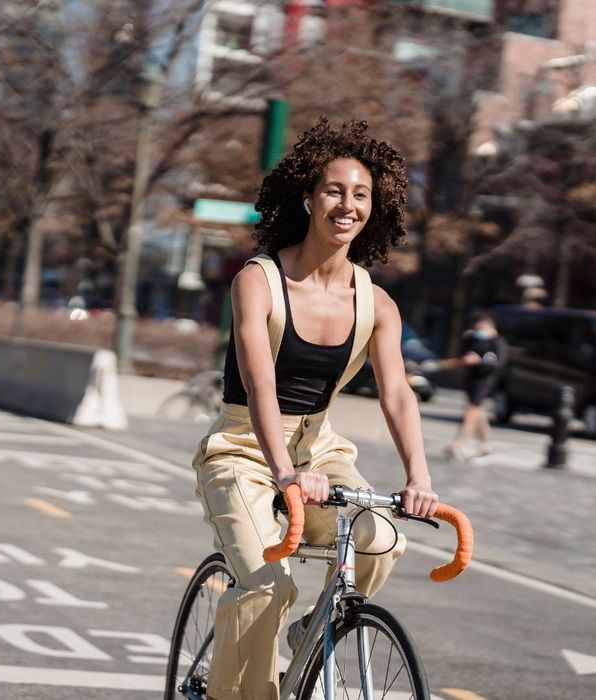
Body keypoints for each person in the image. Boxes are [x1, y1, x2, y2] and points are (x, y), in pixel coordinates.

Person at [192, 117, 438, 700]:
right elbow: (258, 384)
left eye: (361, 194)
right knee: (266, 586)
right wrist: (283, 473)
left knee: (381, 539)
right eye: (334, 190)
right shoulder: (259, 279)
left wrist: (419, 477)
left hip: (319, 450)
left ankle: (318, 630)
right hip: (245, 449)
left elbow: (397, 391)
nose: (347, 205)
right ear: (308, 196)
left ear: (374, 208)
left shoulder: (376, 303)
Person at [444, 311, 503, 464]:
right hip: (472, 378)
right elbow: (466, 353)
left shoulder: (496, 343)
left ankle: (458, 444)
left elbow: (495, 363)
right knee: (478, 412)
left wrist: (479, 361)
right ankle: (486, 448)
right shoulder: (472, 338)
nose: (479, 331)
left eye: (481, 328)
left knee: (471, 410)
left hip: (485, 379)